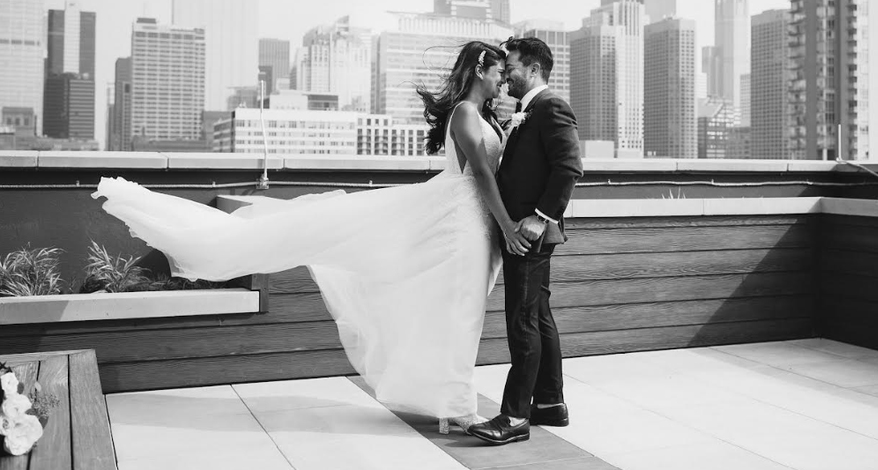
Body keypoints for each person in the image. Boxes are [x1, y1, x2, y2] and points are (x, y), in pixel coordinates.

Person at [92, 41, 533, 435]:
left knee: (456, 313)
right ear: (480, 69)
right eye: (498, 72)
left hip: (474, 225)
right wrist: (509, 228)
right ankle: (456, 406)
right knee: (460, 315)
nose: (502, 80)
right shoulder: (466, 114)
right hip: (463, 225)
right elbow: (481, 177)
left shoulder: (485, 116)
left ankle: (447, 400)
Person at [467, 37, 583, 446]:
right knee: (539, 315)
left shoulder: (550, 106)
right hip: (522, 231)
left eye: (511, 67)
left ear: (532, 69)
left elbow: (568, 167)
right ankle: (550, 402)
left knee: (522, 320)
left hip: (528, 234)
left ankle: (515, 416)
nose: (507, 74)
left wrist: (540, 218)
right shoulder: (525, 111)